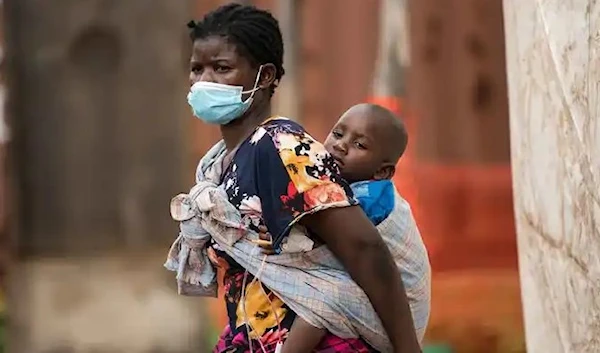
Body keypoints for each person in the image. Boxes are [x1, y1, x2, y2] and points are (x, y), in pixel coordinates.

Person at [182, 3, 420, 353]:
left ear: (263, 77)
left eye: (221, 68)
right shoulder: (221, 163)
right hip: (258, 339)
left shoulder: (281, 147)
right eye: (196, 69)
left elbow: (364, 247)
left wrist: (407, 349)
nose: (204, 82)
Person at [258, 103, 431, 353]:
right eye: (338, 134)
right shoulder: (339, 186)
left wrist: (288, 228)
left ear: (382, 171)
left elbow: (330, 232)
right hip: (369, 290)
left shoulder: (374, 196)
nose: (340, 145)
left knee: (324, 299)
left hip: (402, 307)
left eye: (359, 145)